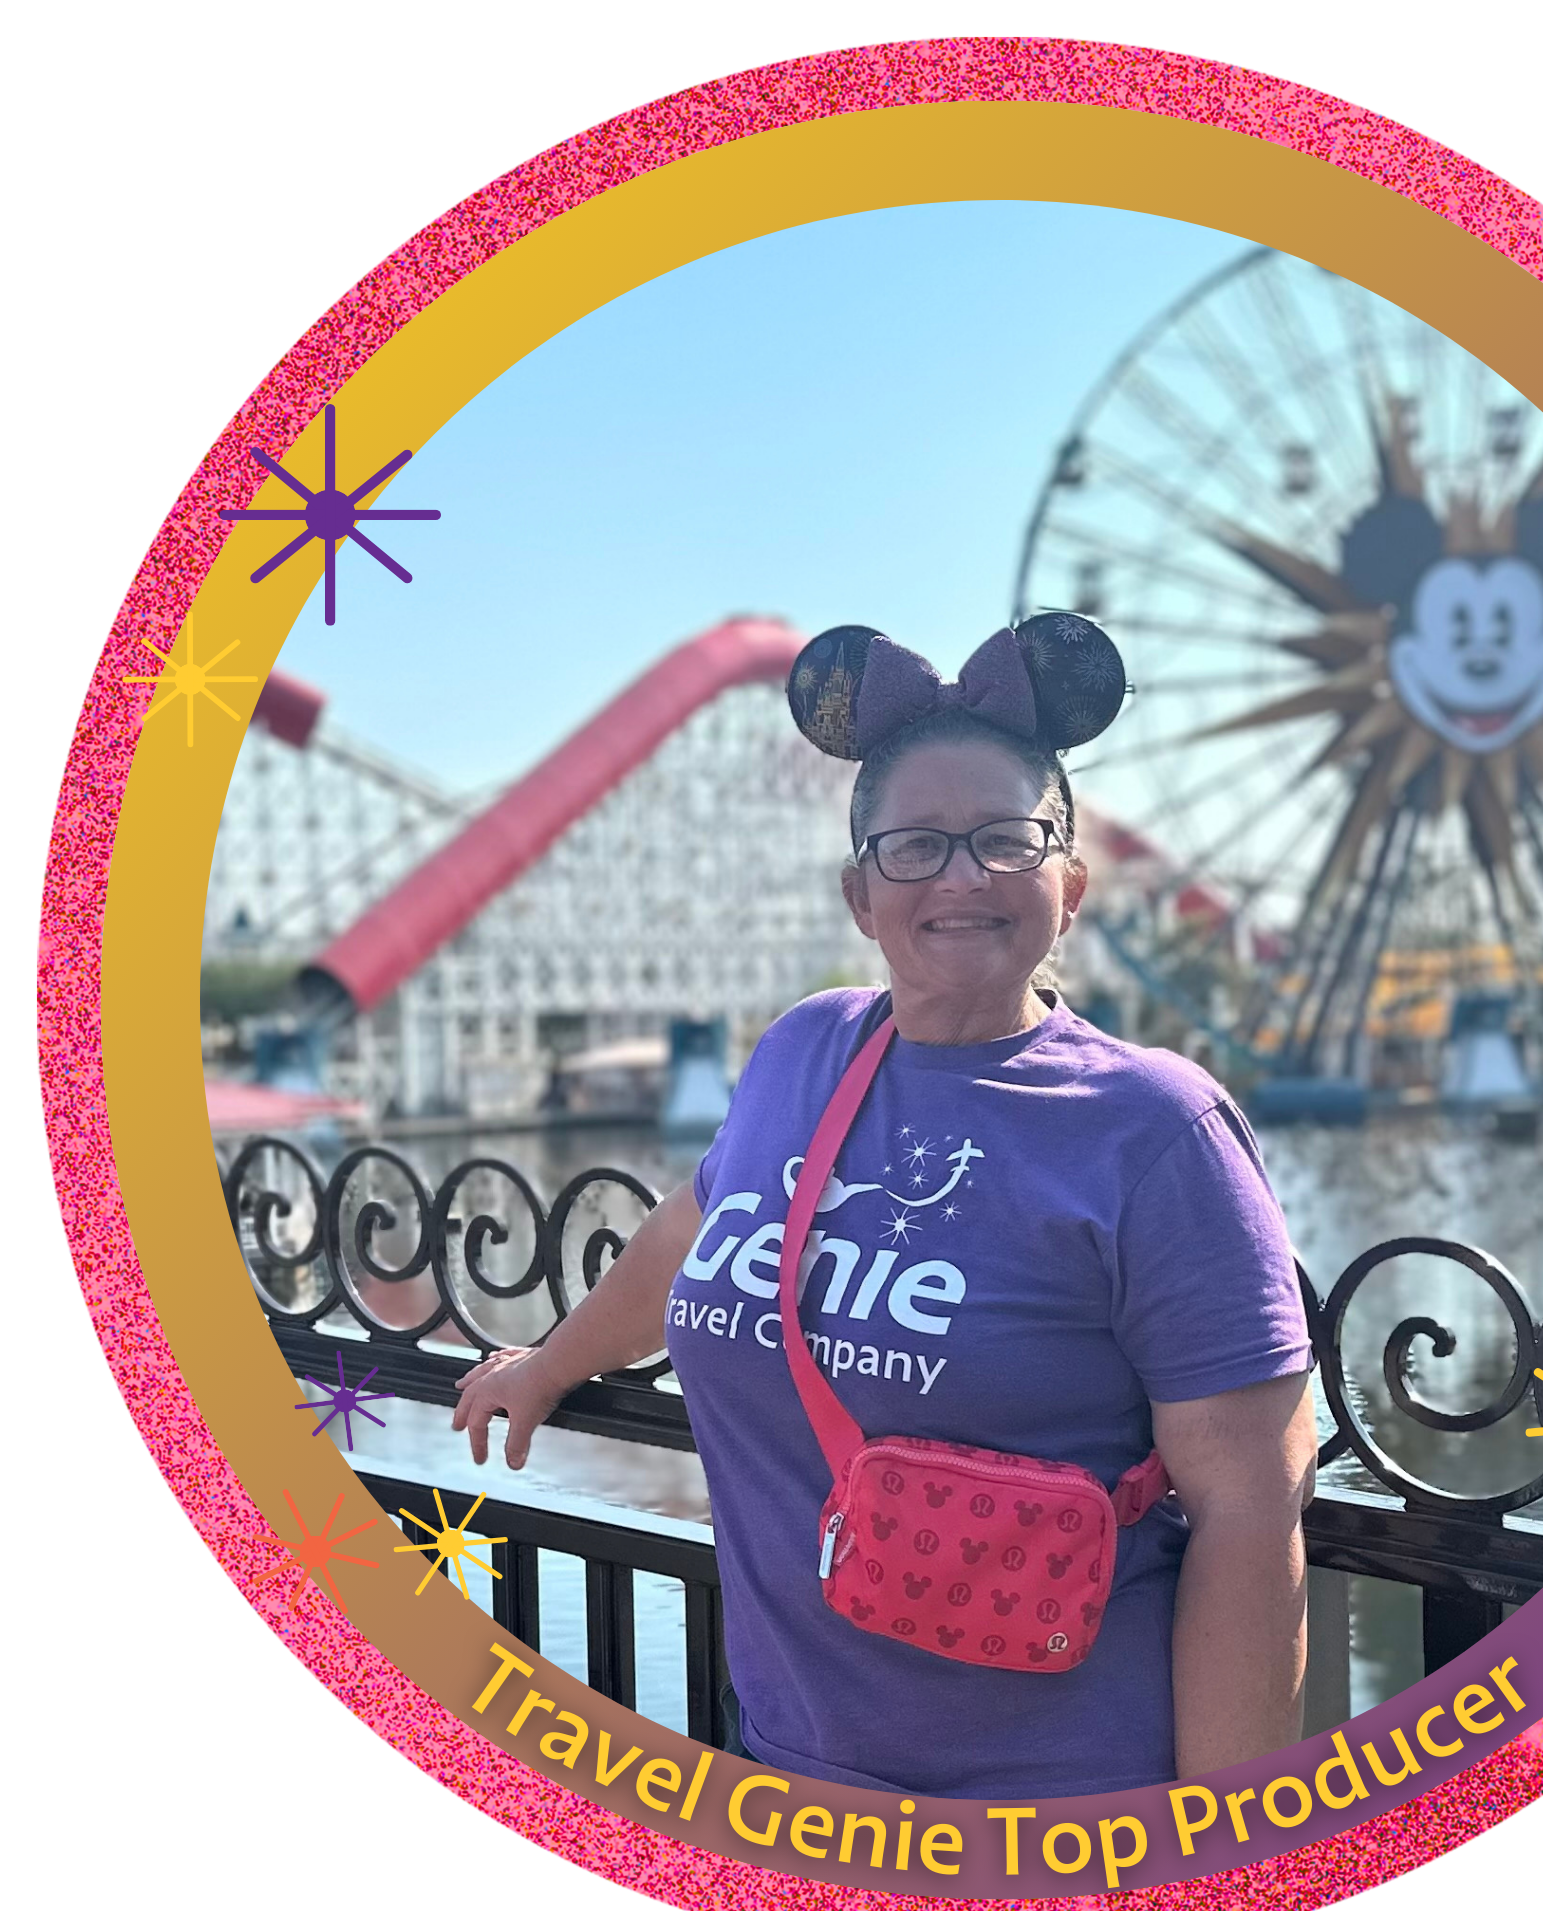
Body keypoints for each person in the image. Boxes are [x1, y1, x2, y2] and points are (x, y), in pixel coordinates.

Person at [452, 617, 1319, 1799]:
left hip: (1055, 1814)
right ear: (861, 894)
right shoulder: (803, 1047)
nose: (960, 876)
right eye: (914, 846)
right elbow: (691, 1229)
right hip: (780, 1769)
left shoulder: (1157, 1128)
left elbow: (1248, 1509)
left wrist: (1216, 1859)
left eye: (1005, 840)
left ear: (1068, 884)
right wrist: (551, 1363)